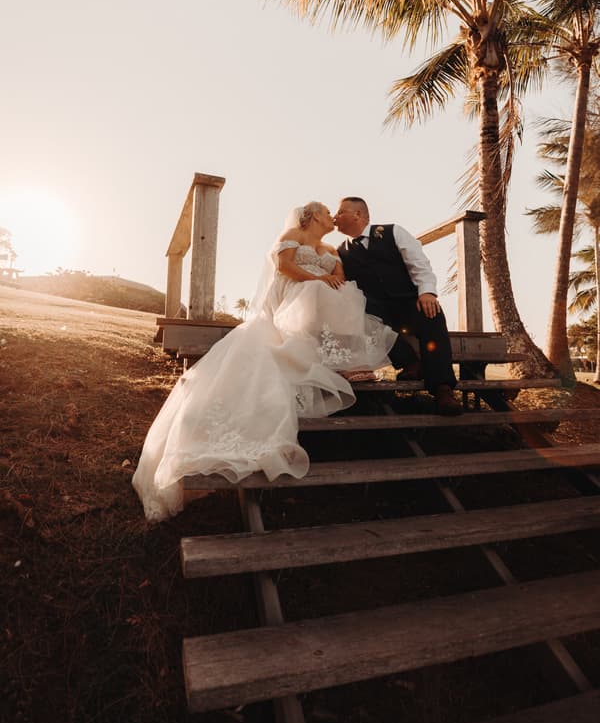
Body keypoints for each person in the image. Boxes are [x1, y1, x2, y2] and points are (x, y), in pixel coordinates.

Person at [132, 202, 397, 521]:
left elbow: (338, 275)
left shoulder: (330, 248)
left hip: (319, 297)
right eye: (327, 213)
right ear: (312, 216)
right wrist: (315, 279)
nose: (332, 218)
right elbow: (284, 266)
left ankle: (347, 361)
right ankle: (322, 354)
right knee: (317, 292)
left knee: (350, 293)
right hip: (293, 296)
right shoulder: (293, 234)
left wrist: (331, 278)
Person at [334, 197, 462, 416]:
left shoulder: (393, 232)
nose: (334, 218)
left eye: (340, 212)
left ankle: (443, 389)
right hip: (376, 310)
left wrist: (427, 292)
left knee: (433, 316)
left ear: (357, 214)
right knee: (359, 314)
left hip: (408, 303)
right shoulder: (340, 252)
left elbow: (419, 263)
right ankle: (409, 362)